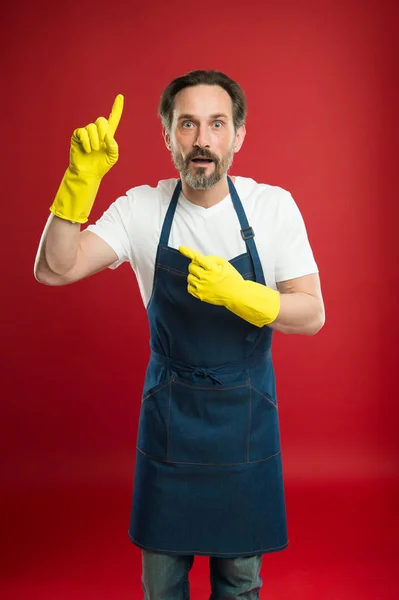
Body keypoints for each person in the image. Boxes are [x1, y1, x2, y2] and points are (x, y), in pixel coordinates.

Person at [34, 69, 325, 600]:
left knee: (239, 583)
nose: (202, 141)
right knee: (162, 582)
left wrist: (243, 296)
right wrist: (78, 183)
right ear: (167, 135)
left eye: (217, 124)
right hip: (170, 420)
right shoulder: (141, 209)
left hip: (245, 419)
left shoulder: (272, 208)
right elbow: (55, 268)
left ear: (238, 135)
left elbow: (311, 314)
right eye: (187, 125)